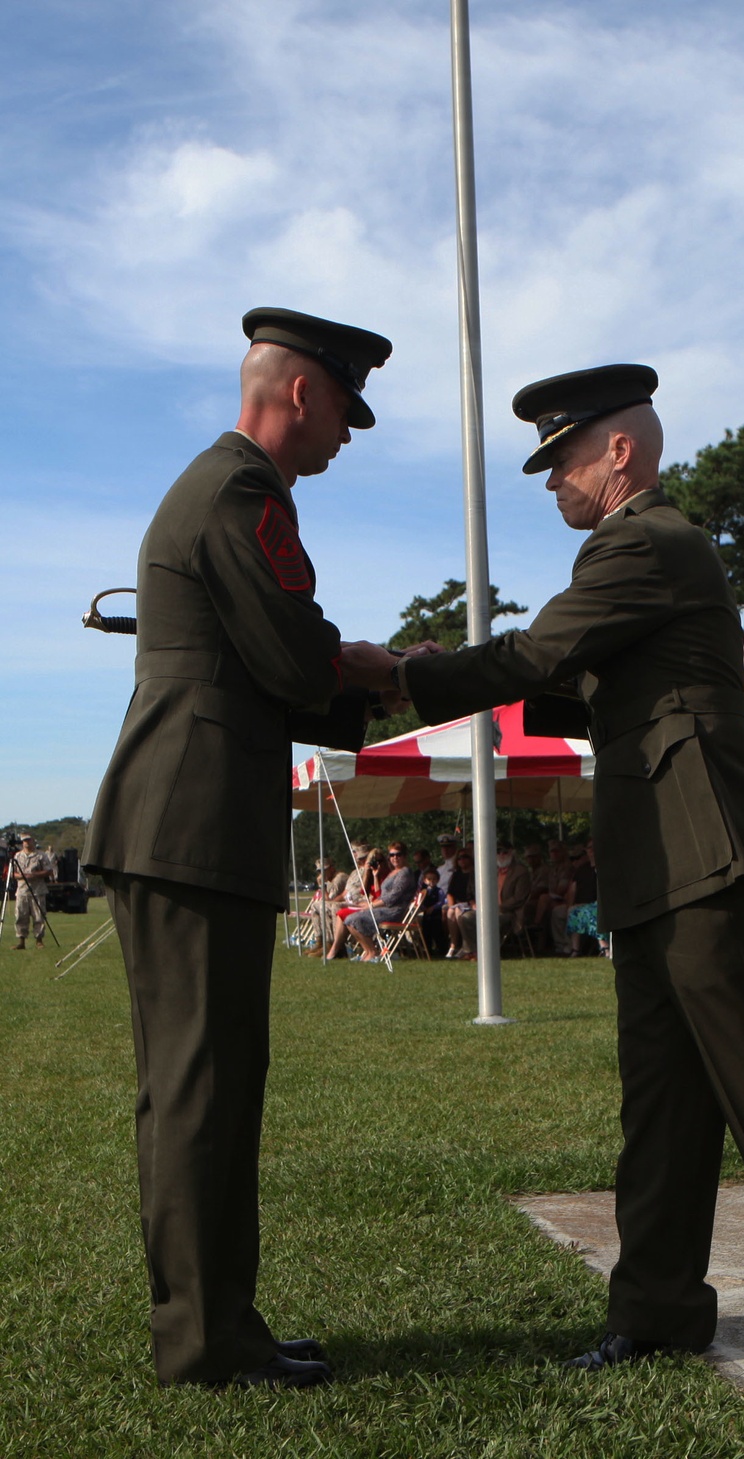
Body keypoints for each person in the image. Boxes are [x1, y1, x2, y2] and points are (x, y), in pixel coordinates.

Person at [341, 362, 744, 1373]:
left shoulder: (646, 539)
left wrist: (404, 675)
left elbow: (535, 658)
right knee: (663, 1097)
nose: (552, 478)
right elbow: (579, 686)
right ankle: (652, 1309)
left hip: (698, 847)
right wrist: (441, 665)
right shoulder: (638, 552)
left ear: (620, 449)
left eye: (562, 456)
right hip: (660, 854)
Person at [82, 307, 410, 1389]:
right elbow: (289, 652)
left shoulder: (229, 489)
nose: (348, 438)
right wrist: (374, 665)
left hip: (191, 816)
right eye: (345, 414)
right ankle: (205, 1338)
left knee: (214, 1081)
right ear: (301, 393)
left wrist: (335, 665)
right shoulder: (241, 491)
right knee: (198, 1084)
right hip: (189, 819)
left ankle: (222, 1320)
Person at [344, 842, 417, 960]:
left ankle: (373, 952)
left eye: (398, 854)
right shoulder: (393, 872)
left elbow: (392, 898)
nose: (395, 858)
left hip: (394, 911)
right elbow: (382, 894)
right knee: (349, 920)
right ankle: (368, 951)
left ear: (404, 856)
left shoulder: (405, 873)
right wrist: (374, 877)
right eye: (392, 855)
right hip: (383, 908)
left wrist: (371, 905)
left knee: (356, 919)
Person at [11, 834, 55, 949]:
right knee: (21, 916)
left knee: (39, 916)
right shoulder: (17, 856)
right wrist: (21, 876)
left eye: (28, 840)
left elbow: (49, 871)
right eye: (24, 841)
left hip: (37, 890)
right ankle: (21, 941)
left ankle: (39, 940)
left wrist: (34, 874)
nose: (26, 843)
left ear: (33, 841)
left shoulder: (41, 855)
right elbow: (13, 873)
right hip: (22, 891)